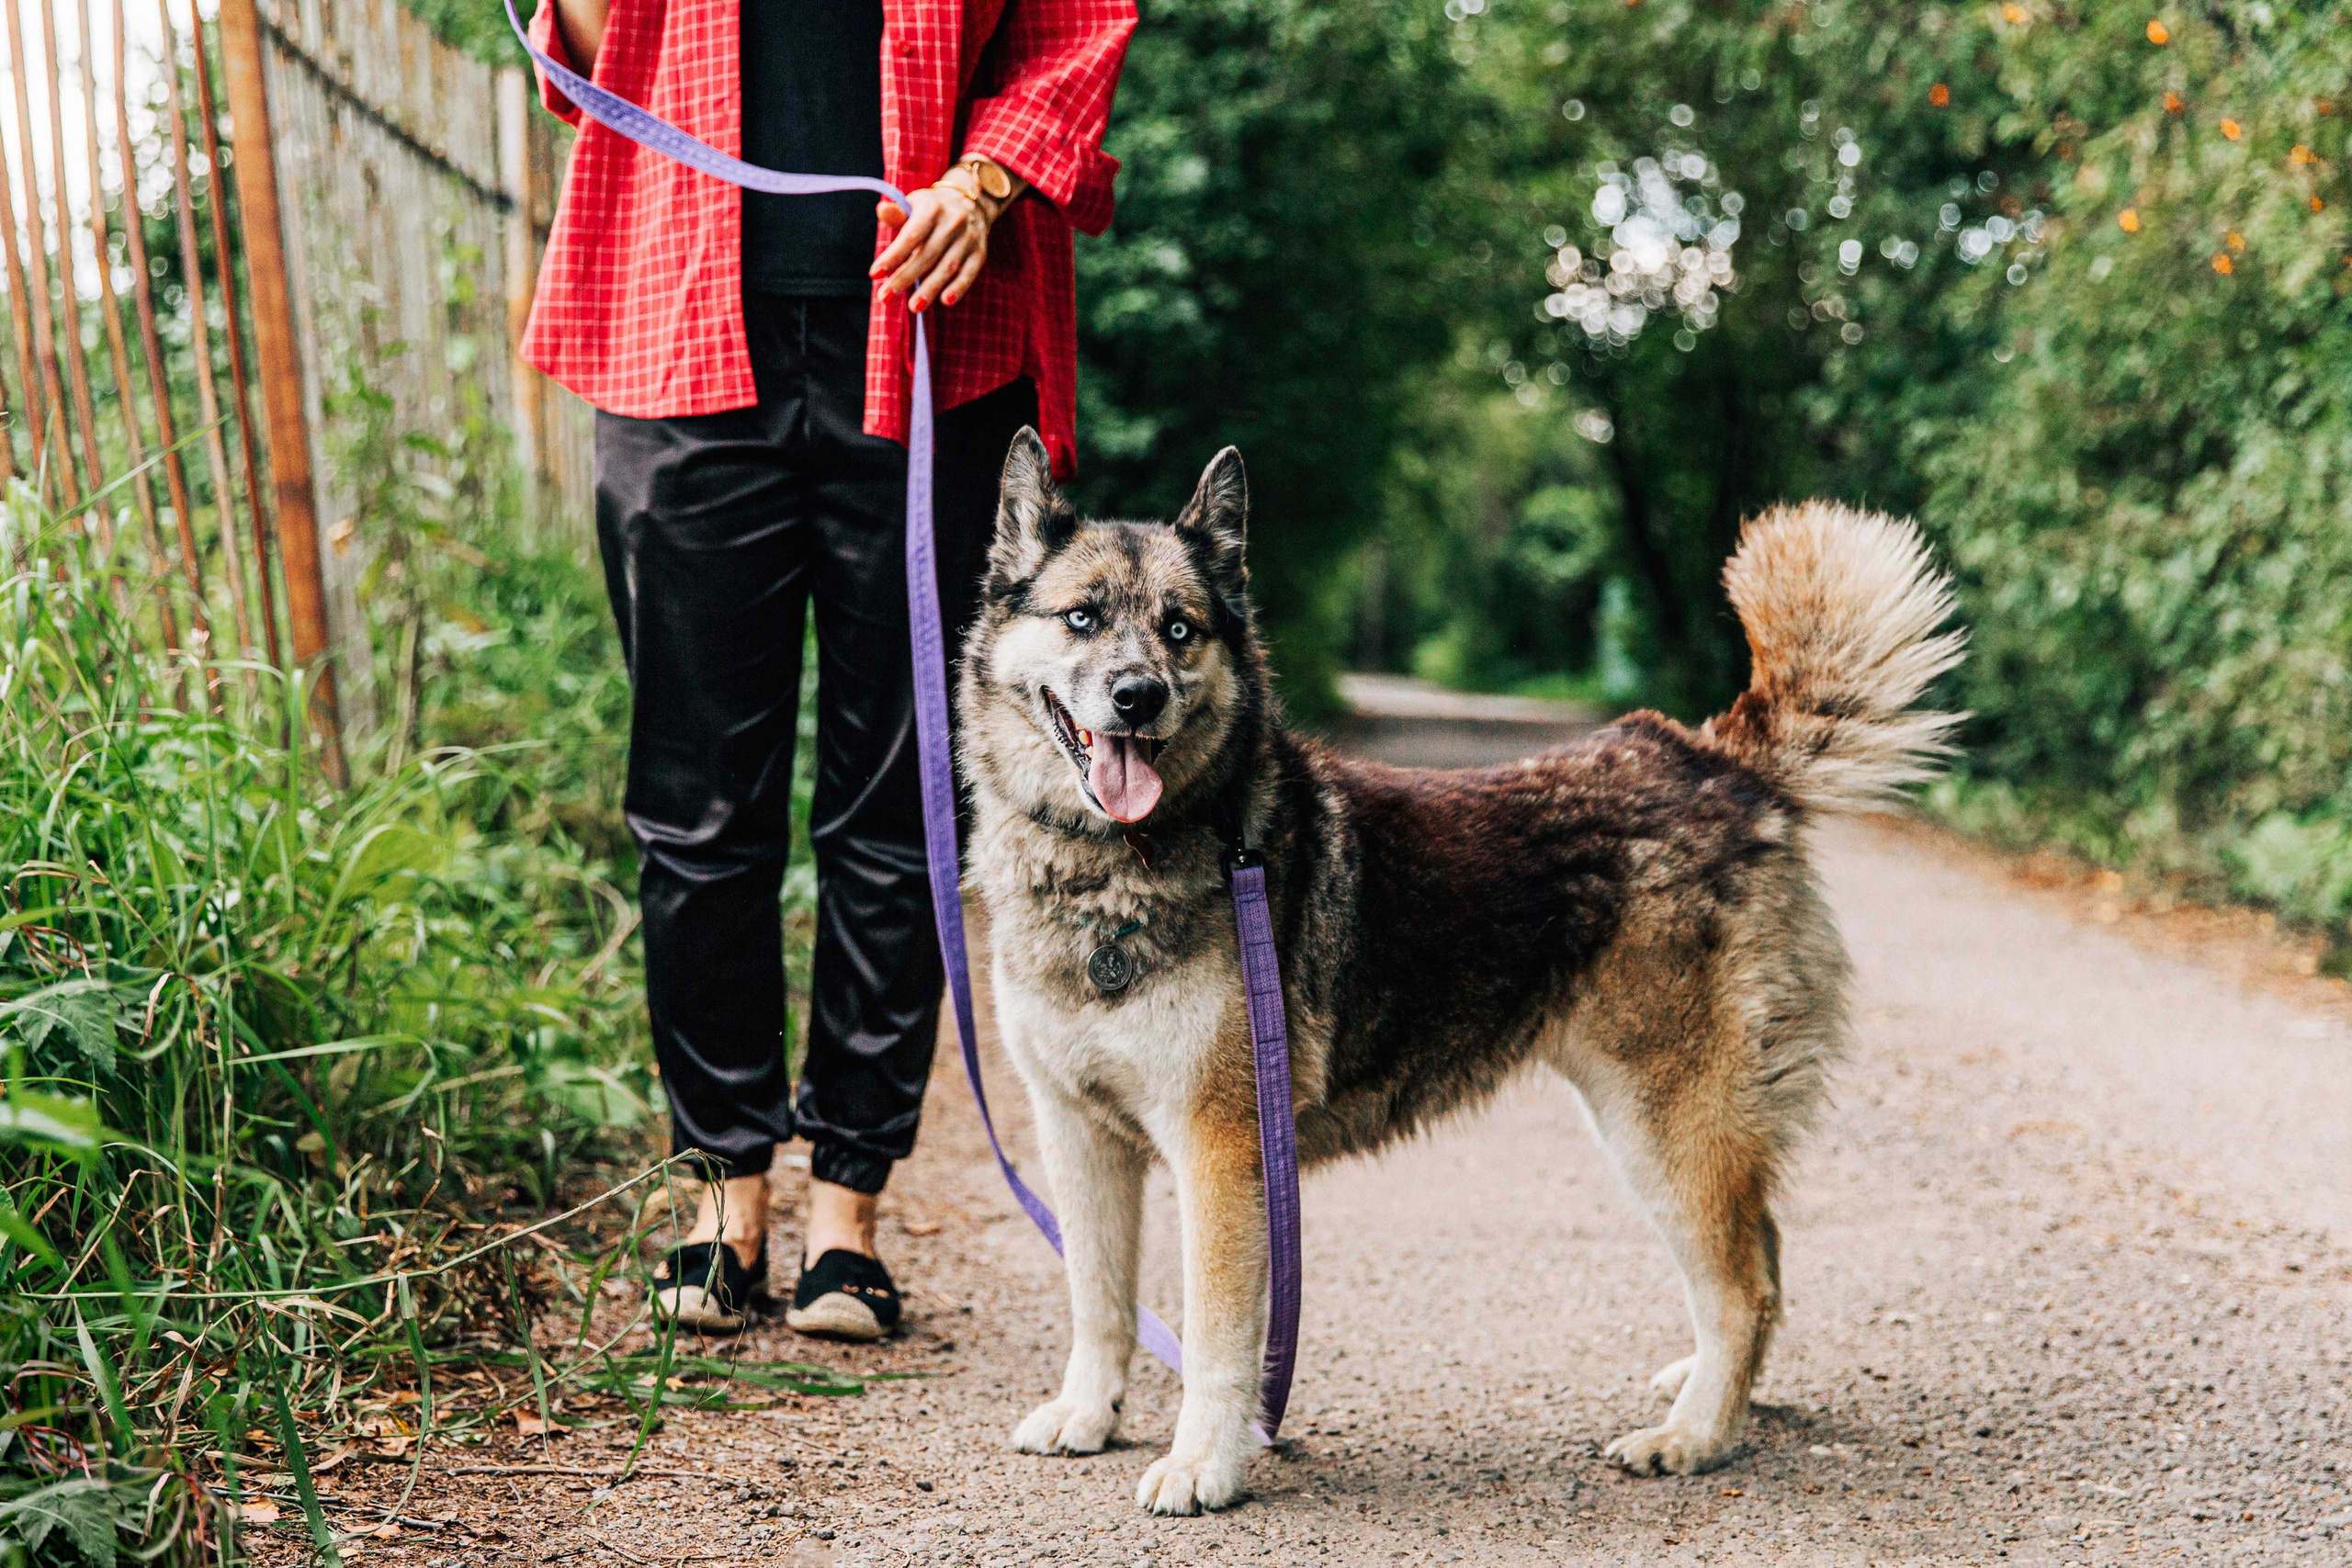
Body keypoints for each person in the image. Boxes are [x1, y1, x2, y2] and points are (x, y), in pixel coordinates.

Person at [525, 0, 1136, 1337]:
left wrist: (985, 180)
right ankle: (721, 1196)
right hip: (680, 340)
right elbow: (584, 55)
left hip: (935, 348)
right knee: (696, 806)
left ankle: (847, 1214)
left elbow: (1078, 24)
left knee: (898, 800)